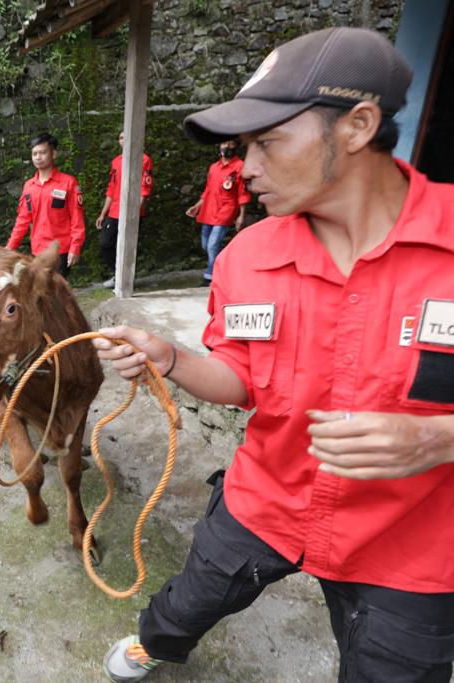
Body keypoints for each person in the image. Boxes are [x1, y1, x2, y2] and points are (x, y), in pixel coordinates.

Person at [94, 27, 454, 682]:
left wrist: (443, 437)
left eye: (268, 142)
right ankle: (156, 642)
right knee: (191, 594)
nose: (246, 167)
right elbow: (241, 378)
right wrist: (169, 357)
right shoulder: (246, 259)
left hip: (413, 544)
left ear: (357, 125)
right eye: (242, 148)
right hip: (266, 500)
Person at [6, 133, 85, 278]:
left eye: (43, 152)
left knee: (51, 293)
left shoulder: (68, 183)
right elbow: (22, 221)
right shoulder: (29, 186)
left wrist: (76, 247)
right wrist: (9, 249)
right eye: (34, 153)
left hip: (60, 251)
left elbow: (76, 219)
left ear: (53, 154)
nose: (38, 157)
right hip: (38, 251)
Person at [185, 138, 250, 285]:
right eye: (223, 143)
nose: (226, 147)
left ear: (236, 147)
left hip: (226, 209)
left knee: (213, 245)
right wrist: (197, 206)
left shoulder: (240, 167)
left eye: (230, 144)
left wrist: (241, 215)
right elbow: (208, 190)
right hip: (209, 209)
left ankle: (210, 276)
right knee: (205, 245)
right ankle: (225, 266)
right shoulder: (214, 167)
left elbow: (243, 192)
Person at [94, 130, 154, 288]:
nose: (123, 140)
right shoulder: (116, 161)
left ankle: (125, 279)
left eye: (126, 137)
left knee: (128, 246)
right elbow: (111, 189)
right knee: (106, 244)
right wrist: (102, 214)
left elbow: (144, 190)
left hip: (132, 213)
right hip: (114, 211)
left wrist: (134, 214)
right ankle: (118, 274)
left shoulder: (144, 160)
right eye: (120, 138)